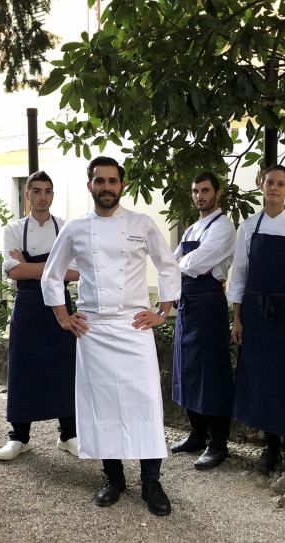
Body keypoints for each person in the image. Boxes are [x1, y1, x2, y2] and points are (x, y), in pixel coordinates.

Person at [41, 156, 181, 517]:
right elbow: (51, 275)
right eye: (99, 181)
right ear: (90, 185)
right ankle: (113, 478)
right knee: (101, 407)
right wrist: (62, 317)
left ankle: (152, 481)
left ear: (122, 185)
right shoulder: (74, 228)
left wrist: (162, 312)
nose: (106, 187)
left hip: (135, 327)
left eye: (112, 181)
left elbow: (168, 265)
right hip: (94, 329)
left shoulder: (141, 223)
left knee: (146, 402)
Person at [228, 164, 285, 474]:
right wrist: (237, 318)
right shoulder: (248, 227)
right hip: (256, 312)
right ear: (260, 186)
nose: (274, 187)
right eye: (269, 182)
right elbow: (239, 274)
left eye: (280, 183)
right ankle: (270, 447)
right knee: (261, 378)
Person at [0, 171, 80, 461]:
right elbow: (13, 271)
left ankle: (68, 434)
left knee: (65, 366)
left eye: (48, 191)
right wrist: (55, 266)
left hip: (60, 305)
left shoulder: (66, 227)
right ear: (27, 195)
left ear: (52, 195)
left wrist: (31, 266)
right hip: (29, 305)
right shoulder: (14, 229)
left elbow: (77, 271)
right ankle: (19, 437)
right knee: (23, 367)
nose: (43, 197)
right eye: (37, 191)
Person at [171, 171, 236, 470]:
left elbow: (199, 261)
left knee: (212, 372)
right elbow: (172, 263)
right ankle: (197, 434)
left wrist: (178, 268)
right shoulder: (191, 229)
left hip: (209, 304)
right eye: (196, 191)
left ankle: (218, 443)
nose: (200, 196)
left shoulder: (223, 227)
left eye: (206, 190)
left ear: (217, 193)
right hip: (187, 304)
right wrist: (179, 269)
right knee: (187, 370)